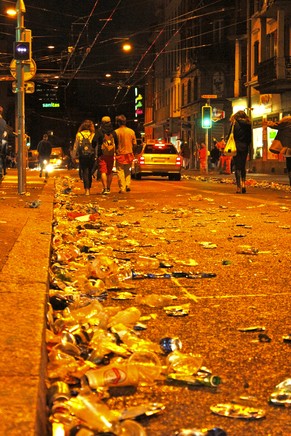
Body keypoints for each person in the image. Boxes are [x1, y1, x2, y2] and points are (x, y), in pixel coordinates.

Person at [228, 110, 252, 194]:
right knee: (243, 166)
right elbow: (250, 137)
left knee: (237, 167)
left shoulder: (234, 123)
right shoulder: (248, 124)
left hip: (236, 146)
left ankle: (238, 187)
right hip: (245, 147)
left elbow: (230, 135)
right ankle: (244, 184)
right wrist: (248, 146)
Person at [94, 116, 118, 194]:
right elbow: (117, 142)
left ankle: (105, 189)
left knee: (103, 171)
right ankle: (108, 188)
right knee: (110, 172)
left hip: (102, 154)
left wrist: (95, 149)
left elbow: (94, 141)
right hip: (111, 154)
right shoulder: (113, 132)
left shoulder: (100, 131)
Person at [72, 120, 96, 195]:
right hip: (91, 155)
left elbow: (76, 145)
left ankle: (87, 190)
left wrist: (73, 156)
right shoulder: (92, 134)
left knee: (85, 171)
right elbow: (95, 145)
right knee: (90, 171)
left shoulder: (79, 134)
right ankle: (89, 186)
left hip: (82, 155)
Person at [266, 116, 291, 186]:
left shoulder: (285, 123)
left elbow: (274, 125)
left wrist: (268, 123)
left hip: (288, 148)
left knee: (289, 165)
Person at [114, 114, 137, 193]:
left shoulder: (116, 132)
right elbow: (135, 144)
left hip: (120, 154)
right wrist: (133, 151)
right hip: (129, 153)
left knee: (120, 171)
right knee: (128, 171)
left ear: (118, 122)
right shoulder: (131, 131)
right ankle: (128, 185)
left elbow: (114, 144)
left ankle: (122, 187)